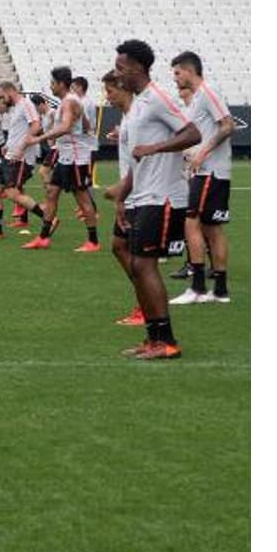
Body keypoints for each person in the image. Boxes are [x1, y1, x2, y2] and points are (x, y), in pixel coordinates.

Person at [110, 39, 202, 360]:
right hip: (142, 196)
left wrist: (155, 149)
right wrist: (123, 197)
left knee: (145, 264)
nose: (117, 73)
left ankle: (167, 341)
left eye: (121, 67)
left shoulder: (158, 98)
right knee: (133, 261)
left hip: (164, 197)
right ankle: (153, 337)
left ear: (136, 67)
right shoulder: (137, 105)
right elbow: (138, 161)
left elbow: (193, 133)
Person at [168, 51, 236, 305]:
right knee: (211, 228)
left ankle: (196, 287)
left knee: (191, 222)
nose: (175, 79)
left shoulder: (208, 93)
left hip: (209, 170)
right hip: (207, 170)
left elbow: (228, 125)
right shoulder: (196, 100)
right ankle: (219, 291)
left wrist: (202, 153)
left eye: (177, 73)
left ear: (189, 71)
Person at [21, 67, 100, 251]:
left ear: (61, 84)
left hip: (75, 159)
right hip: (66, 157)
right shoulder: (69, 101)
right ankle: (43, 237)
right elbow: (86, 123)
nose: (51, 86)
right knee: (51, 193)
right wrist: (84, 130)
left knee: (82, 199)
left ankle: (93, 241)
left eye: (53, 83)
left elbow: (65, 127)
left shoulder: (69, 102)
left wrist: (39, 138)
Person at [101, 70, 144, 326]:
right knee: (119, 247)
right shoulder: (128, 118)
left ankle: (145, 307)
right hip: (129, 197)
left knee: (139, 258)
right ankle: (144, 301)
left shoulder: (138, 116)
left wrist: (119, 190)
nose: (107, 97)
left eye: (110, 91)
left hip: (139, 197)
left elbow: (142, 160)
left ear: (123, 88)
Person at [0, 82, 50, 239]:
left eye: (1, 96)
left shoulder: (26, 104)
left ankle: (48, 218)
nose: (2, 100)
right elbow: (18, 131)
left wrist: (21, 148)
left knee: (12, 193)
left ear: (9, 91)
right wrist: (7, 145)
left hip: (21, 158)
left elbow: (36, 125)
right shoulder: (16, 108)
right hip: (9, 156)